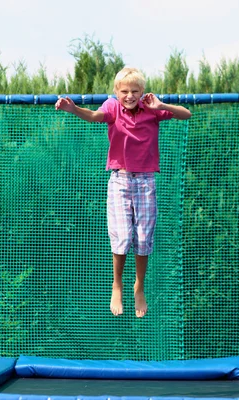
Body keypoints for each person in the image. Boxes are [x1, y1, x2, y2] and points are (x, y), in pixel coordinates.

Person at [55, 67, 191, 317]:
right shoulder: (112, 107)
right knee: (123, 237)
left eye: (135, 91)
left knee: (143, 238)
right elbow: (96, 116)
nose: (129, 96)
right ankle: (117, 284)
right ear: (116, 92)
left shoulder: (151, 109)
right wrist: (73, 109)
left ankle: (139, 286)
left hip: (146, 181)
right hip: (120, 180)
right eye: (124, 91)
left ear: (142, 92)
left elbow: (187, 114)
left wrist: (161, 105)